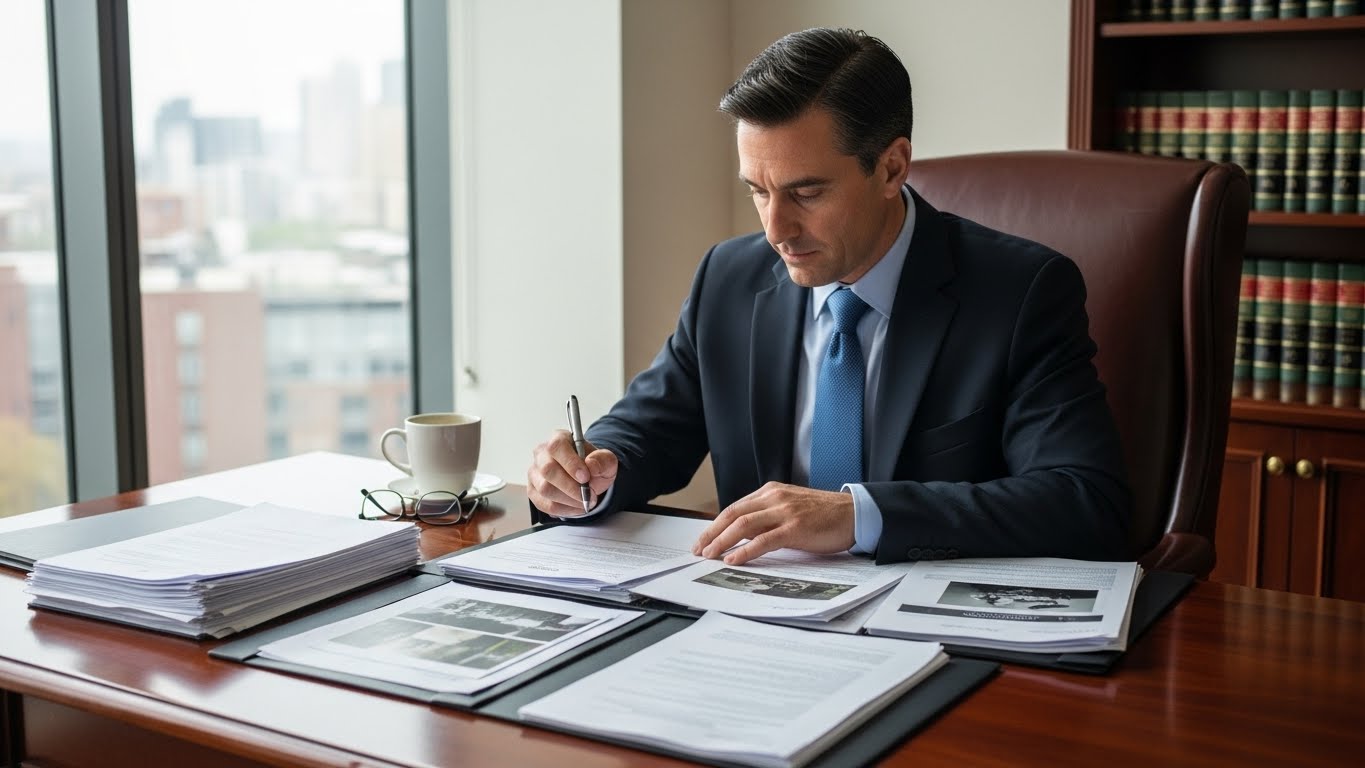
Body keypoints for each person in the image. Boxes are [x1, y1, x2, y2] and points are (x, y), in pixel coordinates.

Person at [527, 27, 1130, 567]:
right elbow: (651, 431)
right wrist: (590, 471)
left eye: (806, 193)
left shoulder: (1021, 292)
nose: (776, 230)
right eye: (757, 191)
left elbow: (1085, 499)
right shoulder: (729, 278)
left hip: (928, 625)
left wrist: (858, 515)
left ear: (892, 168)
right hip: (751, 612)